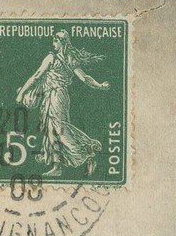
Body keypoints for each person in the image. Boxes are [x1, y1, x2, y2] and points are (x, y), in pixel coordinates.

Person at [16, 30, 109, 178]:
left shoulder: (51, 58)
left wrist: (22, 93)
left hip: (55, 96)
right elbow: (84, 78)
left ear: (61, 42)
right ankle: (57, 165)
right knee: (52, 130)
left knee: (59, 129)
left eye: (56, 39)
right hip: (55, 96)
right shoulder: (69, 58)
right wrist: (99, 85)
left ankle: (87, 153)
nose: (53, 41)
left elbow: (36, 76)